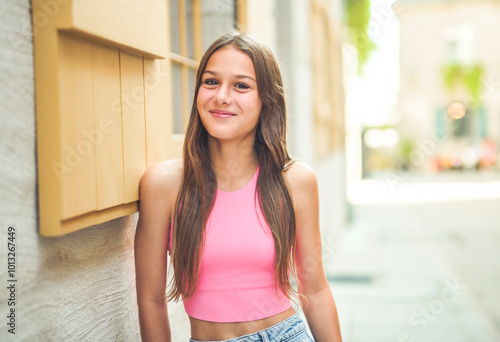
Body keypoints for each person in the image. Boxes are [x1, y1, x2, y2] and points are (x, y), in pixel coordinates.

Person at [134, 31, 342, 342]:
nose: (221, 96)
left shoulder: (295, 181)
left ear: (266, 101)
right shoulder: (163, 185)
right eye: (211, 81)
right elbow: (150, 300)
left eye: (241, 85)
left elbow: (315, 287)